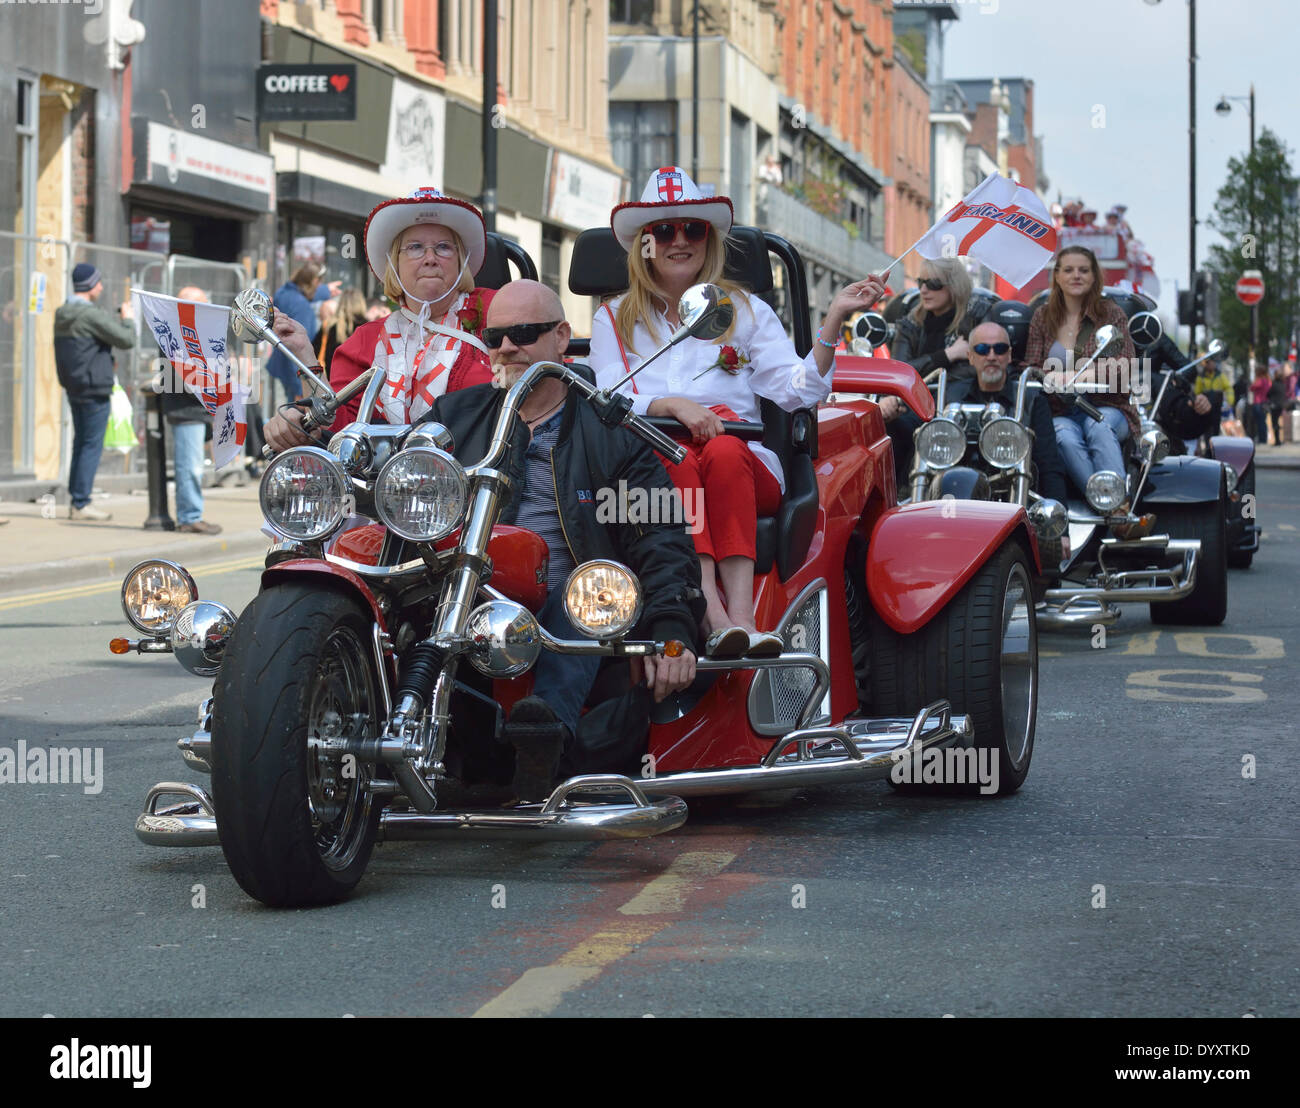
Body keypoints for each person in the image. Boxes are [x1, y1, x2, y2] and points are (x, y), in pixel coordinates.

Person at [420, 280, 704, 802]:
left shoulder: (612, 429)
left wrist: (670, 630)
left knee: (594, 589)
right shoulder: (451, 418)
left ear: (560, 339)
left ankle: (543, 737)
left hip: (574, 611)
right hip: (467, 600)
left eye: (524, 334)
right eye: (495, 336)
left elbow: (661, 538)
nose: (507, 348)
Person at [589, 166, 885, 657]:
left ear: (710, 239)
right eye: (663, 230)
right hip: (654, 466)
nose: (679, 240)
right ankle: (713, 612)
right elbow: (604, 396)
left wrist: (832, 320)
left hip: (740, 463)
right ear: (644, 244)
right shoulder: (612, 318)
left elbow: (799, 392)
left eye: (693, 229)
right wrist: (669, 405)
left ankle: (743, 618)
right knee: (677, 460)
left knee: (723, 452)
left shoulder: (745, 311)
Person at [264, 186, 496, 452]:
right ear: (394, 264)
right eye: (415, 248)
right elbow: (340, 428)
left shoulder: (498, 311)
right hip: (386, 489)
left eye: (444, 247)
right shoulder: (365, 340)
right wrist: (305, 355)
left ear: (461, 261)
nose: (430, 258)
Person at [1023, 246, 1137, 498]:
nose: (1076, 276)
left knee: (1099, 426)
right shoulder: (1042, 316)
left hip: (1107, 406)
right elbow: (1029, 366)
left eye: (1084, 270)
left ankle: (1117, 502)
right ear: (1057, 277)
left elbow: (1126, 365)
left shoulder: (1111, 313)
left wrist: (1080, 375)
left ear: (1094, 276)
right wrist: (1047, 376)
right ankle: (1110, 503)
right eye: (1069, 270)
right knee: (1063, 436)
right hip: (1060, 410)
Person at [885, 257, 991, 483]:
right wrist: (948, 355)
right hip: (915, 408)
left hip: (961, 408)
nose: (923, 290)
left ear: (954, 285)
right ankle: (895, 495)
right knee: (886, 425)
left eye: (933, 284)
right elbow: (899, 371)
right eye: (920, 282)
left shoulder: (975, 319)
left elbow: (975, 370)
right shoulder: (909, 324)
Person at [945, 321, 1068, 502]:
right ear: (970, 356)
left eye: (1000, 349)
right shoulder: (951, 396)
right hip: (959, 497)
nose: (992, 356)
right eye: (982, 349)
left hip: (1016, 496)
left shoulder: (1031, 399)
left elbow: (1049, 463)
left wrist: (1059, 523)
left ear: (1009, 355)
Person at [53, 263, 136, 521]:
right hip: (95, 386)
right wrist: (129, 318)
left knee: (81, 443)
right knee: (90, 445)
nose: (100, 287)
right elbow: (126, 339)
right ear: (89, 286)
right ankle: (81, 503)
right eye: (97, 282)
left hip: (75, 385)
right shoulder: (90, 315)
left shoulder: (62, 312)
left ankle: (77, 499)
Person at [160, 285, 223, 535]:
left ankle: (191, 514)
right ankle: (189, 517)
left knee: (192, 464)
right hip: (186, 408)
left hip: (192, 408)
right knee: (190, 466)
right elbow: (186, 376)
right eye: (202, 304)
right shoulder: (177, 333)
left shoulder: (184, 330)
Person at [266, 262, 340, 406]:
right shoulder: (302, 307)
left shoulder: (283, 292)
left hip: (281, 365)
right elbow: (297, 347)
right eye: (320, 283)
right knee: (295, 416)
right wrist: (300, 387)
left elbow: (302, 292)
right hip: (293, 372)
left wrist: (325, 290)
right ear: (314, 282)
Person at [320, 287, 368, 372]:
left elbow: (324, 355)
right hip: (361, 379)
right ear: (361, 302)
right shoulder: (366, 326)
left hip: (336, 378)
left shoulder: (331, 326)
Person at [1249, 365, 1270, 446]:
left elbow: (1251, 387)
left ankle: (1261, 439)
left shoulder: (1260, 380)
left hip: (1258, 403)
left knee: (1259, 422)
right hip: (1265, 403)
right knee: (1263, 422)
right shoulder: (1268, 380)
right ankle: (1263, 439)